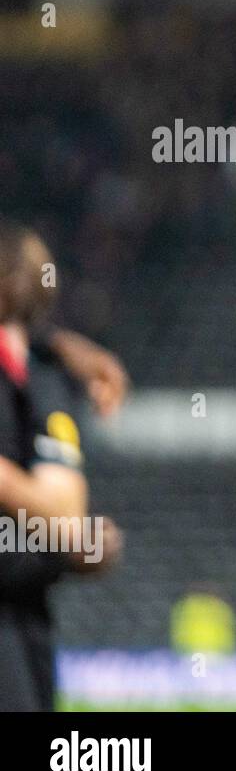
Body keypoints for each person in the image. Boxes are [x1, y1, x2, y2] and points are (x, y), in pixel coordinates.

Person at [0, 222, 122, 711]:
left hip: (22, 617)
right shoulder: (47, 372)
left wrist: (74, 544)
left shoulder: (44, 372)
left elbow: (65, 517)